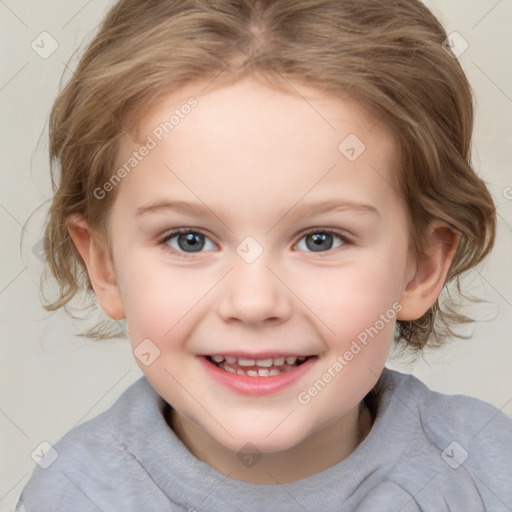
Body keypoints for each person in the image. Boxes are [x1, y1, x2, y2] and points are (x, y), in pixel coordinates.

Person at [17, 0, 512, 510]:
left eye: (321, 239)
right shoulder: (74, 494)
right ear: (104, 266)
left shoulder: (485, 472)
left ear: (422, 266)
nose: (254, 302)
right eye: (189, 239)